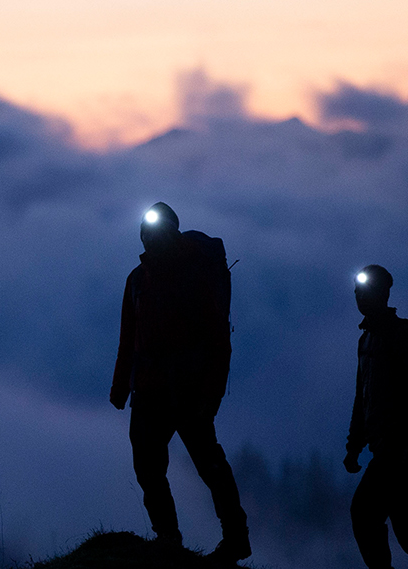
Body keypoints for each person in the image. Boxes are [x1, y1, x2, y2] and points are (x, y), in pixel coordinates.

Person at [110, 202, 250, 561]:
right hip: (154, 389)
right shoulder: (137, 280)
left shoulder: (190, 277)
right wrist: (121, 387)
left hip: (187, 391)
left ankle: (231, 538)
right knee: (151, 465)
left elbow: (218, 338)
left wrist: (210, 395)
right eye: (146, 232)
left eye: (154, 231)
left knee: (207, 465)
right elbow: (130, 336)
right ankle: (170, 537)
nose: (149, 238)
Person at [344, 264, 408, 569]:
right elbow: (363, 397)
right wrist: (354, 445)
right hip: (388, 446)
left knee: (364, 514)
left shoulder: (401, 336)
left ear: (382, 294)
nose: (359, 295)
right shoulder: (367, 341)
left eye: (365, 290)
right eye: (357, 290)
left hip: (398, 447)